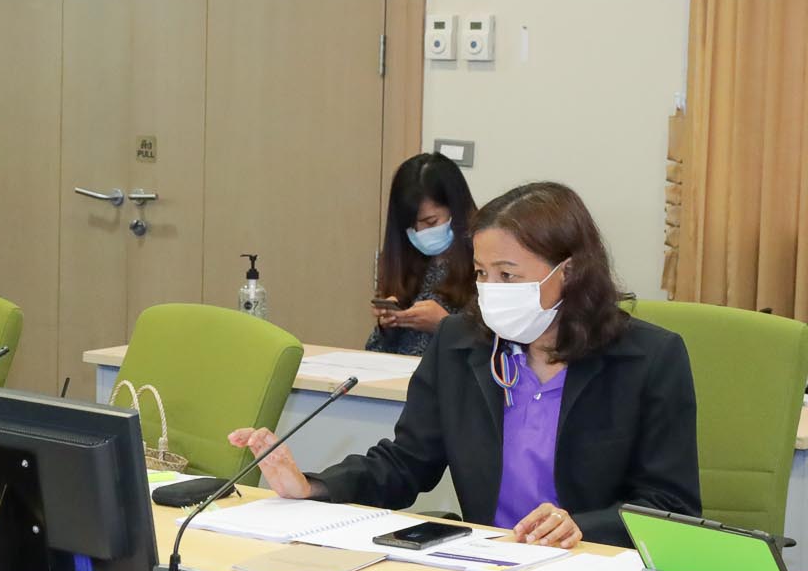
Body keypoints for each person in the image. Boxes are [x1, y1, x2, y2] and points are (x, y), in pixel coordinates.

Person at [230, 182, 699, 547]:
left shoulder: (648, 359)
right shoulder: (461, 344)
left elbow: (671, 505)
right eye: (481, 273)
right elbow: (406, 463)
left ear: (569, 273)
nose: (490, 289)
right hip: (485, 559)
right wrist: (312, 488)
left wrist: (582, 527)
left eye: (508, 275)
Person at [368, 153, 477, 358]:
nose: (420, 233)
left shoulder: (484, 267)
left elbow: (496, 355)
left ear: (456, 209)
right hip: (397, 375)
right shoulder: (406, 263)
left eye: (430, 222)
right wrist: (388, 326)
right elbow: (374, 351)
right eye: (411, 226)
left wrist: (445, 326)